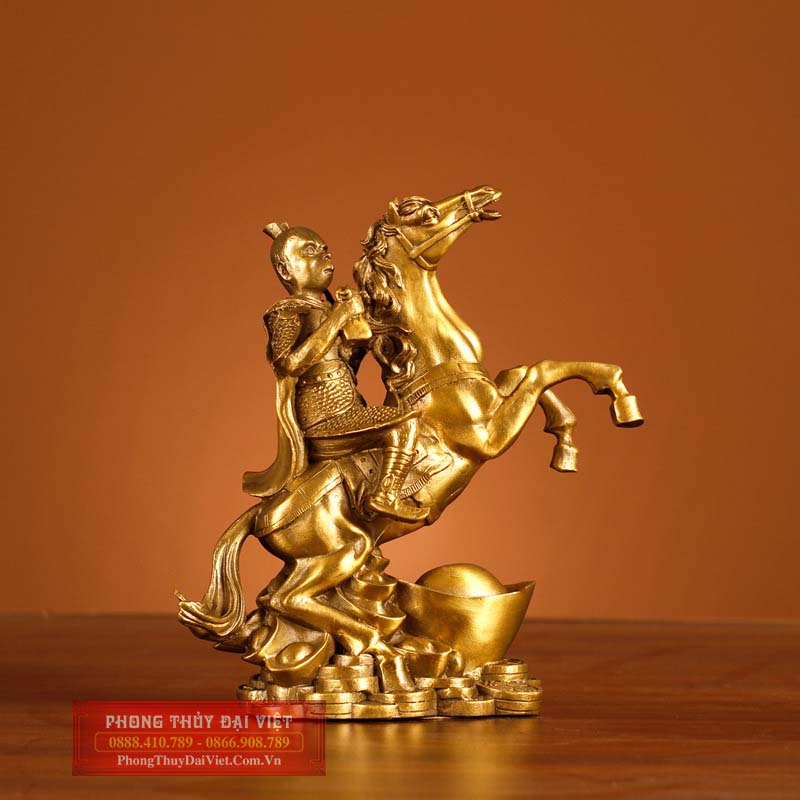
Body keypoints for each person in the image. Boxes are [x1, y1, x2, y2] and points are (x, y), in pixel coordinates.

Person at [243, 221, 428, 524]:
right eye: (310, 252)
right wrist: (339, 318)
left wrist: (360, 337)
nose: (325, 257)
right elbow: (288, 364)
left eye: (325, 250)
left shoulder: (329, 308)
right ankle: (387, 494)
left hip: (348, 408)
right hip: (323, 418)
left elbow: (345, 364)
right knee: (404, 423)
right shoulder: (286, 311)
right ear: (286, 270)